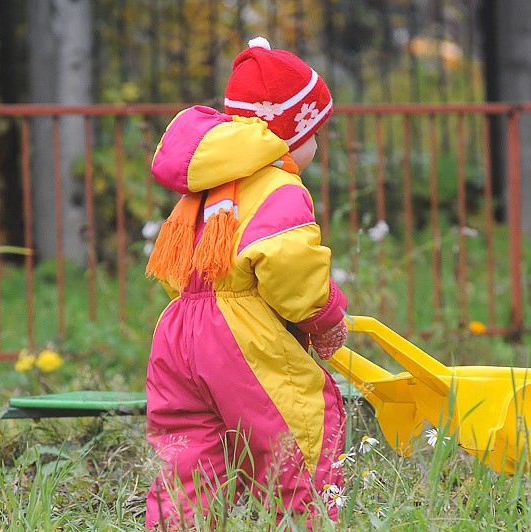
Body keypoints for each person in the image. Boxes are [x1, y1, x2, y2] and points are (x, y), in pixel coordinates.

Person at [144, 37, 349, 529]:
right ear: (290, 132)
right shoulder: (279, 186)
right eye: (317, 130)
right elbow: (288, 267)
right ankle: (310, 521)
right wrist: (324, 318)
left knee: (189, 456)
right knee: (295, 434)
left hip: (177, 335)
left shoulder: (205, 187)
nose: (318, 143)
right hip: (240, 336)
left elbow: (177, 268)